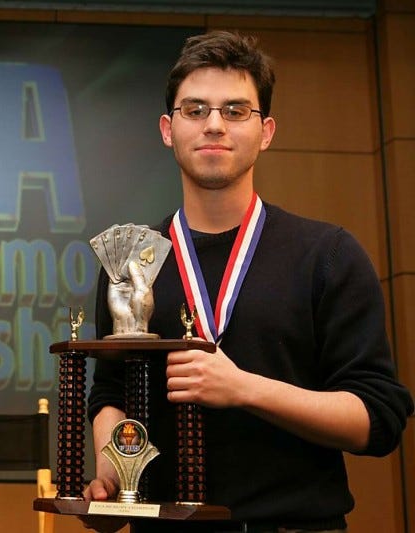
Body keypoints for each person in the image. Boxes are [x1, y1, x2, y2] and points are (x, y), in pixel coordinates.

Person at [84, 30, 414, 533]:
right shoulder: (133, 257)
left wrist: (243, 389)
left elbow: (378, 420)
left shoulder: (327, 255)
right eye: (195, 110)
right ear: (168, 129)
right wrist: (113, 481)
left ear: (266, 131)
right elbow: (110, 394)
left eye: (236, 111)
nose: (214, 125)